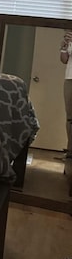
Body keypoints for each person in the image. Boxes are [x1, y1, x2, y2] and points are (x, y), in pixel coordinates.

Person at [59, 30, 72, 162]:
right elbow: (64, 60)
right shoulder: (69, 36)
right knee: (69, 117)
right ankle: (70, 150)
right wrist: (64, 46)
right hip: (69, 78)